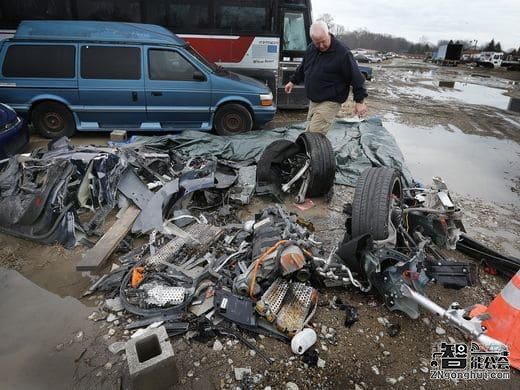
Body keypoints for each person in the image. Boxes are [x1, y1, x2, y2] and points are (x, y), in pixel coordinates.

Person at [284, 21, 368, 134]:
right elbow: (304, 67)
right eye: (317, 43)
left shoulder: (342, 53)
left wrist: (360, 101)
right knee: (309, 130)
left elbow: (357, 77)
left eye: (324, 41)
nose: (321, 46)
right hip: (314, 99)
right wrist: (292, 81)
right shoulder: (311, 49)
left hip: (331, 100)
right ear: (312, 40)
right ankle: (312, 150)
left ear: (328, 34)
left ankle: (316, 151)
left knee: (315, 132)